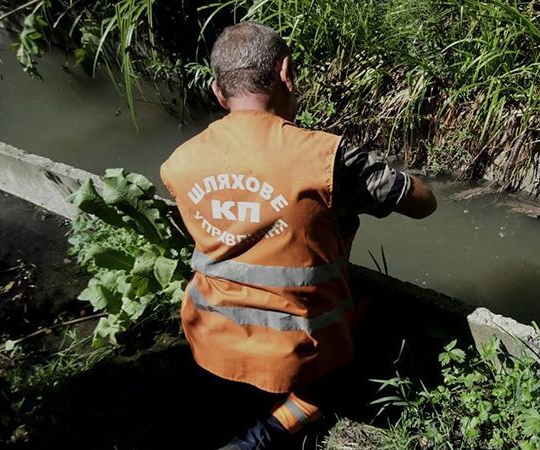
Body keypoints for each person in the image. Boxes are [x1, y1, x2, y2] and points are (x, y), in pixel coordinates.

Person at [160, 22, 436, 450]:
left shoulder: (180, 161)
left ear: (219, 92)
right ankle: (265, 435)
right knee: (373, 325)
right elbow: (422, 203)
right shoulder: (325, 157)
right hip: (299, 356)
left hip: (208, 339)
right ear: (287, 73)